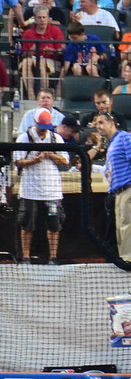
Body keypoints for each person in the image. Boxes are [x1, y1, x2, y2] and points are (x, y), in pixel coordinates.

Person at [13, 110, 68, 264]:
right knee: (27, 223)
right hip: (30, 190)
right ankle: (25, 256)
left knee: (54, 224)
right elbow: (18, 161)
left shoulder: (56, 138)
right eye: (42, 125)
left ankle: (53, 257)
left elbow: (65, 160)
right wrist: (34, 161)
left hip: (52, 192)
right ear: (35, 122)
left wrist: (50, 155)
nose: (44, 129)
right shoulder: (25, 138)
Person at [94, 113, 131, 261]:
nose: (98, 127)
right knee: (121, 233)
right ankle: (125, 266)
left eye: (101, 123)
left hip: (130, 189)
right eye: (96, 124)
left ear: (111, 123)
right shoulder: (112, 143)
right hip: (118, 193)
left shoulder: (125, 137)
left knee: (128, 233)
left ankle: (129, 267)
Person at [19, 6, 63, 100]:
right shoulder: (28, 33)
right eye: (39, 18)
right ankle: (31, 95)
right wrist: (31, 51)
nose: (42, 20)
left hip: (51, 61)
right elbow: (24, 54)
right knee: (27, 61)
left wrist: (53, 51)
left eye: (44, 17)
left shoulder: (56, 30)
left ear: (48, 18)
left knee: (40, 62)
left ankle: (44, 93)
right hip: (31, 60)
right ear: (34, 19)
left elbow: (60, 51)